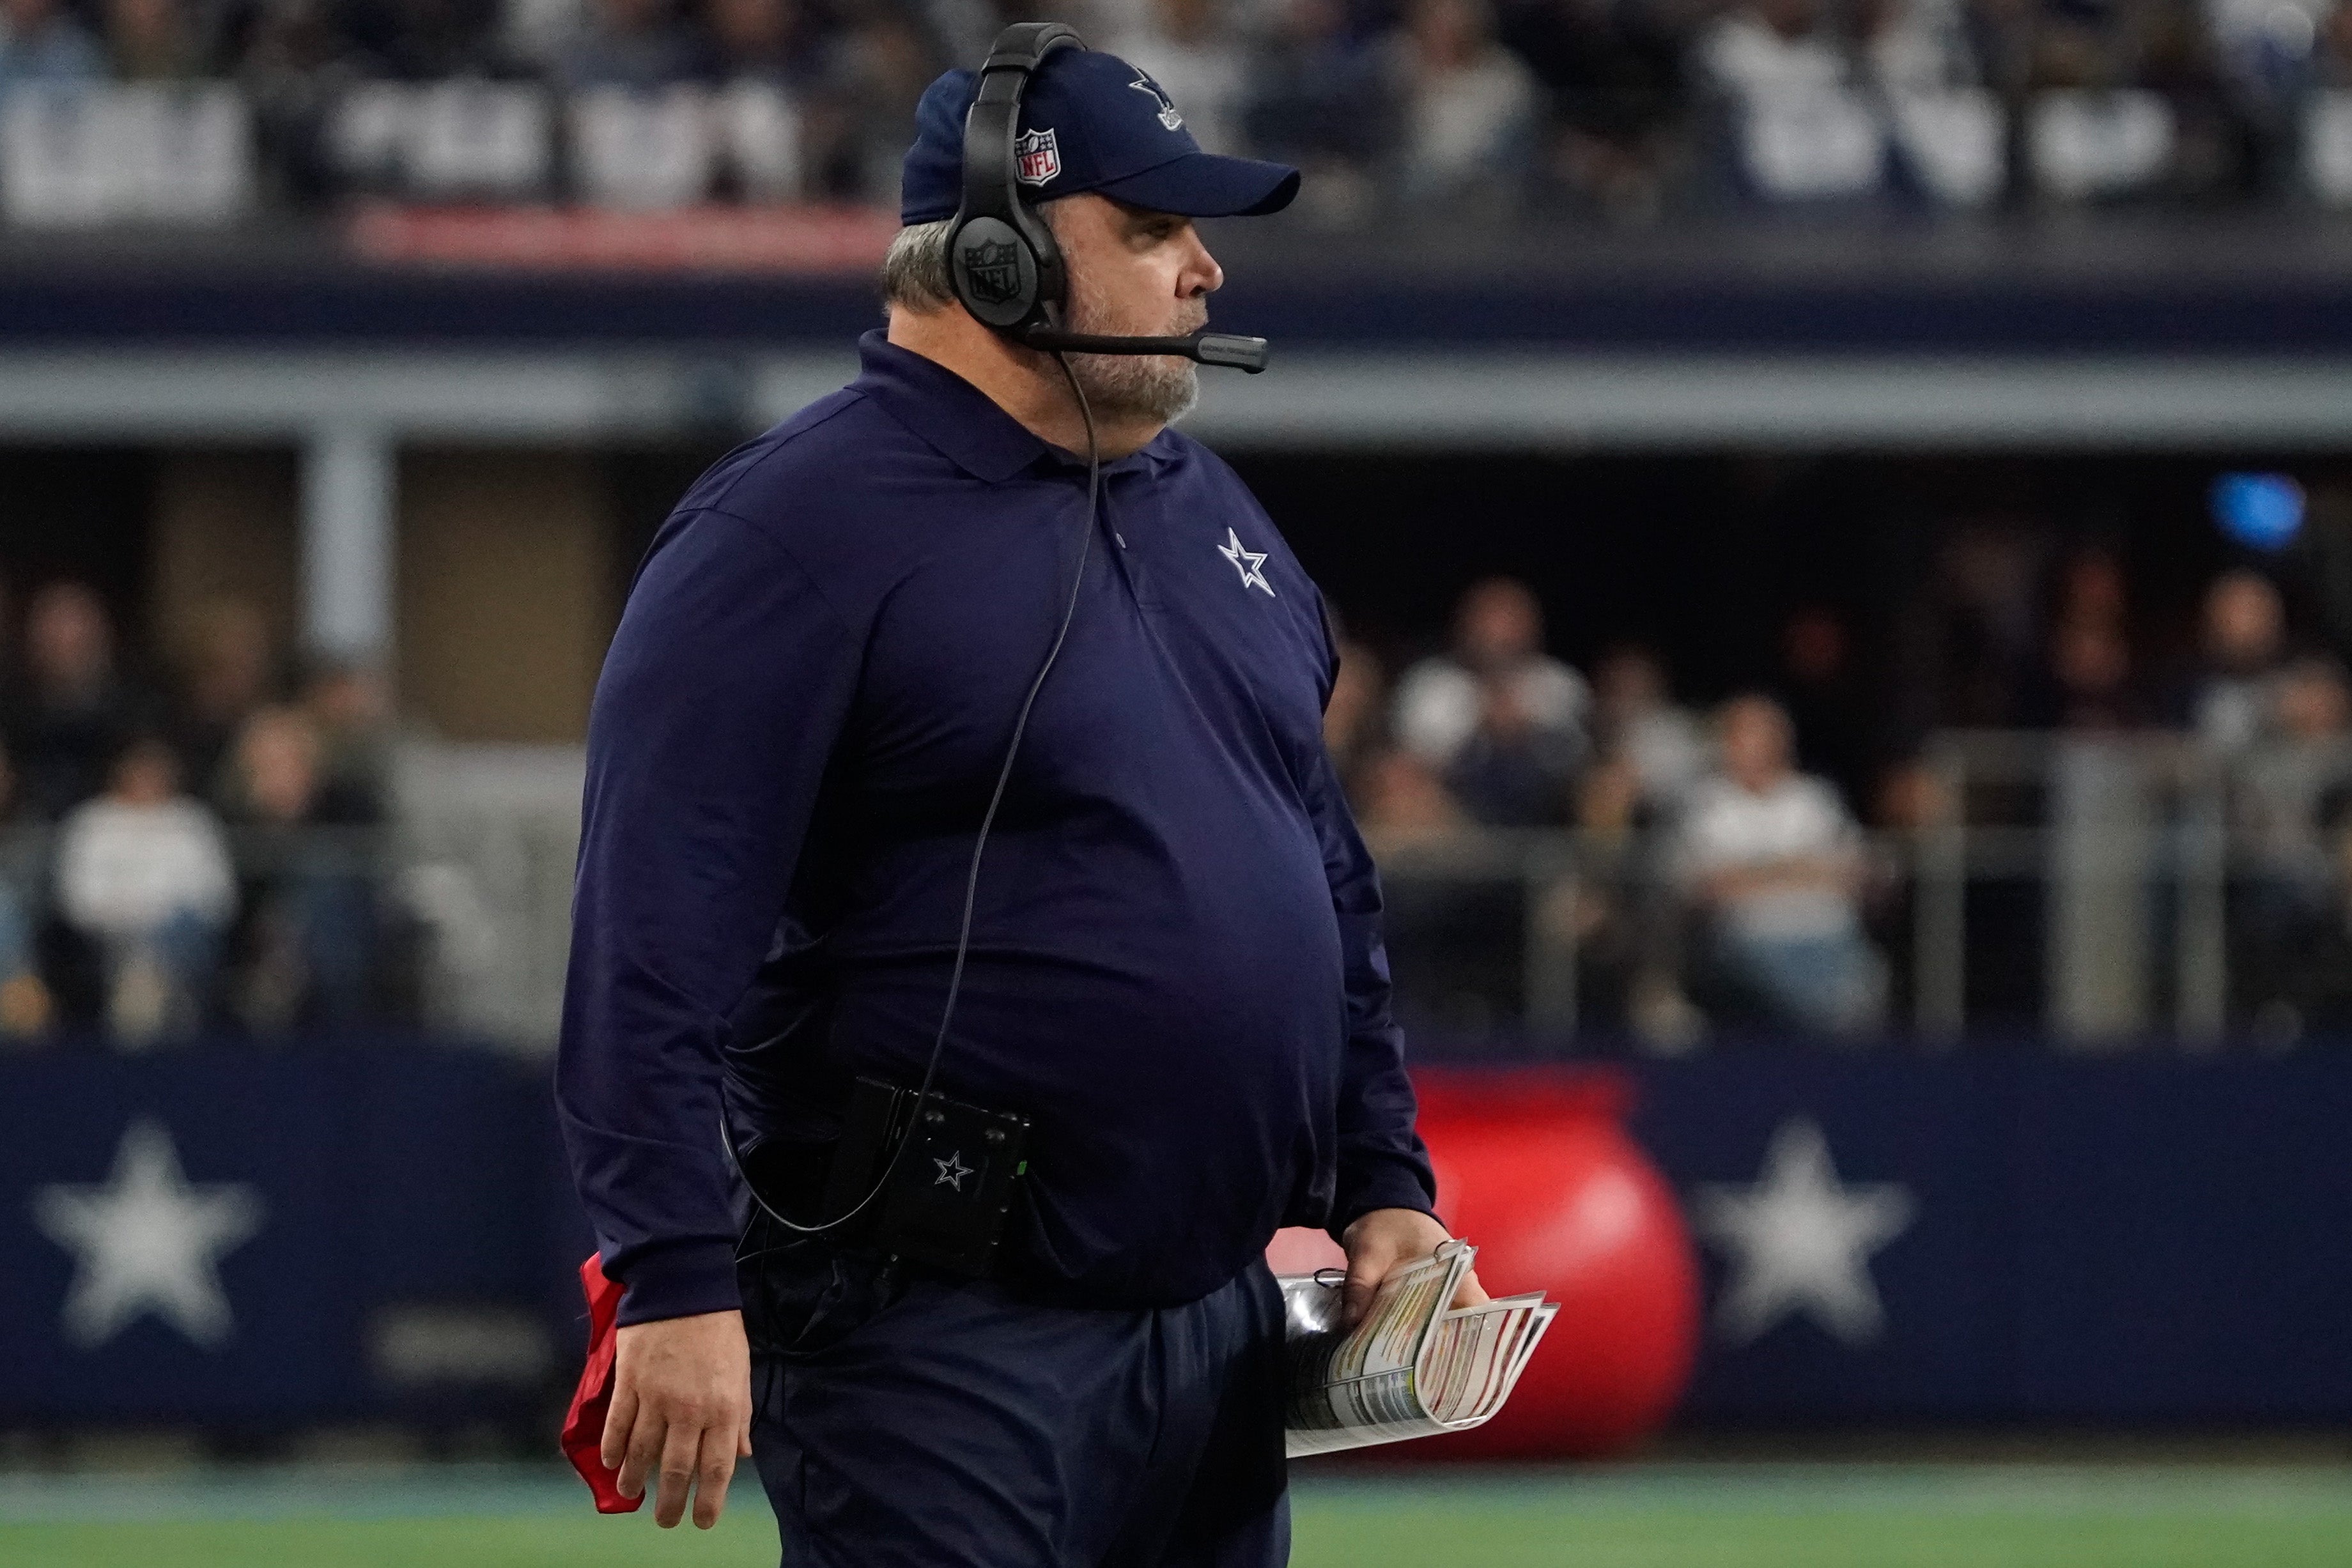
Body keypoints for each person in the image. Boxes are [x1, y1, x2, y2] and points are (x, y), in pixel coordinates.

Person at [557, 33, 1480, 1564]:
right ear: (992, 257)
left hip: (1210, 1316)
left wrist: (1382, 1172)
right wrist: (669, 1271)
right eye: (1149, 231)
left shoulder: (1210, 514)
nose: (1204, 274)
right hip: (938, 1331)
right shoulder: (787, 534)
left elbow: (1321, 875)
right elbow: (645, 948)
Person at [1678, 694, 1886, 1036]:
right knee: (1797, 1006)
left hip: (1831, 937)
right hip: (1750, 945)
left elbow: (1854, 871)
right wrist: (1803, 869)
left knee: (1864, 990)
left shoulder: (1814, 798)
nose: (1750, 746)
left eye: (1761, 735)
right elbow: (1710, 887)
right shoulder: (1707, 805)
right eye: (1741, 736)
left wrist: (1756, 873)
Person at [54, 736, 235, 1044]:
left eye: (157, 770)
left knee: (173, 941)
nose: (149, 778)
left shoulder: (193, 821)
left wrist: (162, 922)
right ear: (121, 772)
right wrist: (134, 919)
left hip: (184, 940)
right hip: (110, 940)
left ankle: (164, 1010)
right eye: (141, 769)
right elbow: (77, 902)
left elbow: (219, 898)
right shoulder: (92, 822)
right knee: (141, 968)